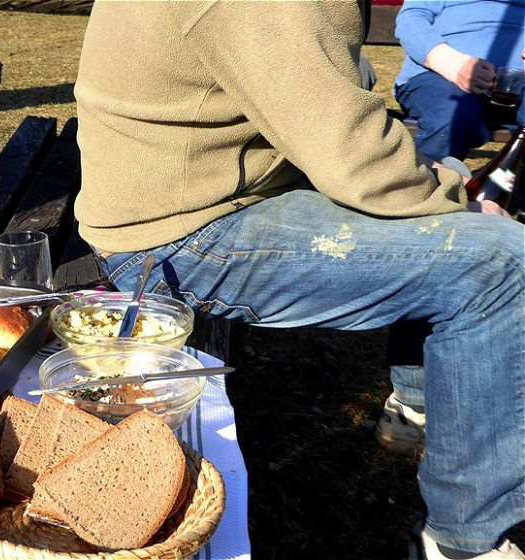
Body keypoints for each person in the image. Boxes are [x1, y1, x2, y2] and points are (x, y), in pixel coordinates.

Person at [73, 1, 524, 559]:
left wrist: (435, 183)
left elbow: (326, 112)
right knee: (504, 265)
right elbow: (351, 155)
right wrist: (454, 196)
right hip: (176, 236)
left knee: (454, 243)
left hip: (197, 193)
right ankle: (465, 542)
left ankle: (418, 406)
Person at [378, 0, 524, 454]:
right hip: (441, 78)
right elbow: (411, 18)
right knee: (438, 214)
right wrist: (453, 63)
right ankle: (413, 393)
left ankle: (493, 209)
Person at [393, 0, 525, 162]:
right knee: (454, 115)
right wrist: (455, 66)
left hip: (517, 85)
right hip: (440, 75)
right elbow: (411, 19)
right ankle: (423, 184)